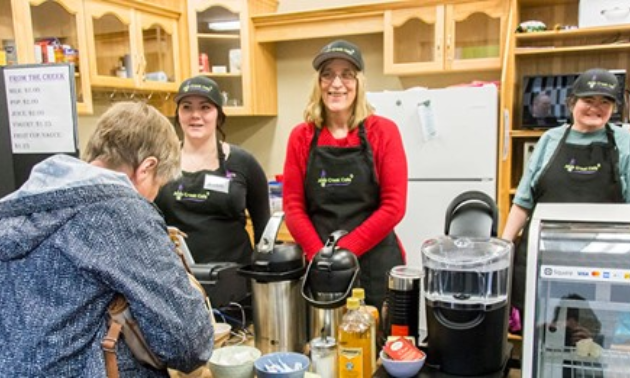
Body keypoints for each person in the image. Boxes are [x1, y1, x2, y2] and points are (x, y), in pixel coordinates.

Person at [0, 102, 214, 376]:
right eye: (157, 186)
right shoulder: (121, 211)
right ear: (147, 168)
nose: (152, 197)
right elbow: (188, 344)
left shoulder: (22, 205)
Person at [282, 39, 408, 313]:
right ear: (318, 82)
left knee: (377, 345)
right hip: (322, 267)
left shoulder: (384, 132)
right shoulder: (300, 137)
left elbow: (393, 207)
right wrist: (320, 256)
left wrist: (345, 252)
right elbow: (293, 206)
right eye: (327, 74)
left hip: (375, 263)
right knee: (322, 347)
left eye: (346, 74)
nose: (336, 83)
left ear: (359, 82)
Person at [502, 68, 630, 323]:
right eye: (588, 100)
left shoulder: (624, 141)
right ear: (572, 102)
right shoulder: (550, 139)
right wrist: (503, 247)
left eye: (605, 101)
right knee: (539, 333)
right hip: (542, 259)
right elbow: (524, 201)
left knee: (593, 340)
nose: (596, 107)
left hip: (600, 263)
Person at [154, 76, 270, 265]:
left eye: (205, 107)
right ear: (178, 114)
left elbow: (263, 231)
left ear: (218, 114)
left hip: (235, 283)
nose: (195, 115)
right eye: (187, 107)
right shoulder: (161, 162)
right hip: (177, 280)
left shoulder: (244, 163)